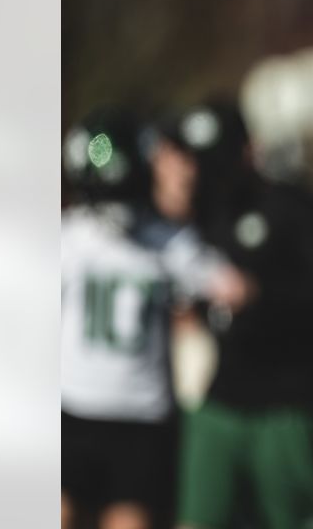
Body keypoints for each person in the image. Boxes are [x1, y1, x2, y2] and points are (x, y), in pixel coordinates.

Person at [164, 99, 313, 529]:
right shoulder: (195, 219)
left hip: (287, 403)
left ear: (247, 151)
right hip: (219, 403)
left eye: (215, 160)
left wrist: (259, 296)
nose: (205, 173)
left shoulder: (296, 207)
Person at [61, 108, 244, 529]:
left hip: (138, 419)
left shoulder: (165, 242)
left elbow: (230, 286)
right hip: (75, 409)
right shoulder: (71, 240)